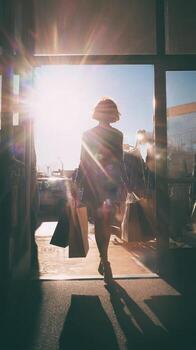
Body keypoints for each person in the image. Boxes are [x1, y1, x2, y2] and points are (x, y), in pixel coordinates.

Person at [75, 98, 128, 284]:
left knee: (100, 222)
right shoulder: (117, 135)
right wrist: (124, 185)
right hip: (110, 182)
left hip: (94, 183)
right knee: (105, 222)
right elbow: (120, 162)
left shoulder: (88, 134)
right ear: (113, 114)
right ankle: (104, 261)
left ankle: (104, 260)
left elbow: (83, 162)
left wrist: (77, 186)